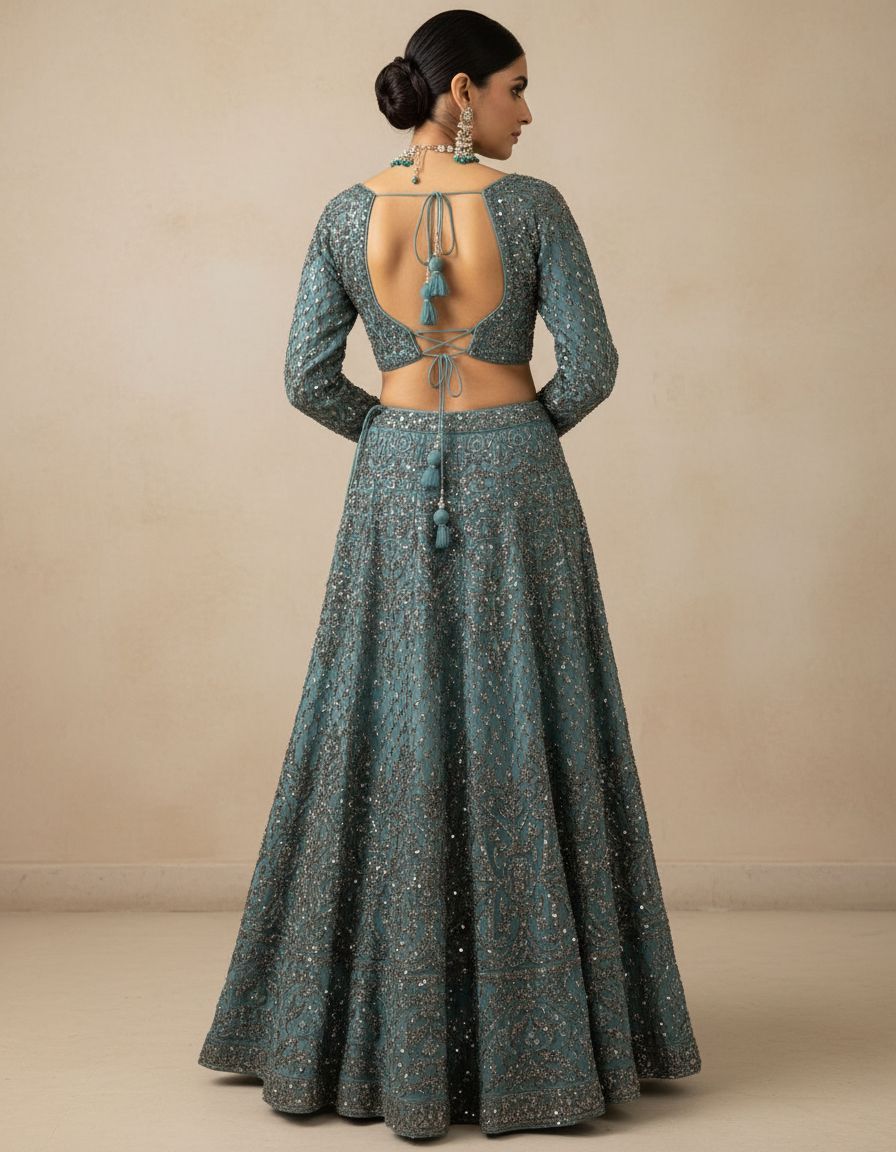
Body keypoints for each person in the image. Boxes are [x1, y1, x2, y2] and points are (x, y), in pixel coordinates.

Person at [197, 8, 701, 1140]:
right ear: (461, 91)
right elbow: (593, 365)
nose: (529, 110)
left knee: (383, 716)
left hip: (389, 478)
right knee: (534, 709)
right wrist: (516, 433)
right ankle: (549, 1044)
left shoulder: (344, 213)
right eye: (517, 87)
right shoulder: (533, 207)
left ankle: (363, 1036)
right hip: (519, 470)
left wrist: (392, 437)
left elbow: (304, 378)